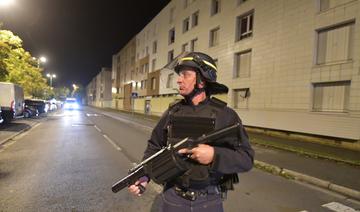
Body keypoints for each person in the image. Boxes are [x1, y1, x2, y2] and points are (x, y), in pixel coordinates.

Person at [128, 52, 254, 212]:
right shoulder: (172, 113)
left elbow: (246, 158)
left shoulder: (225, 115)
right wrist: (144, 176)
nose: (179, 80)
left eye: (186, 75)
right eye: (179, 75)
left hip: (208, 201)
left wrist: (214, 155)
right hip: (173, 198)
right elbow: (154, 147)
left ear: (202, 80)